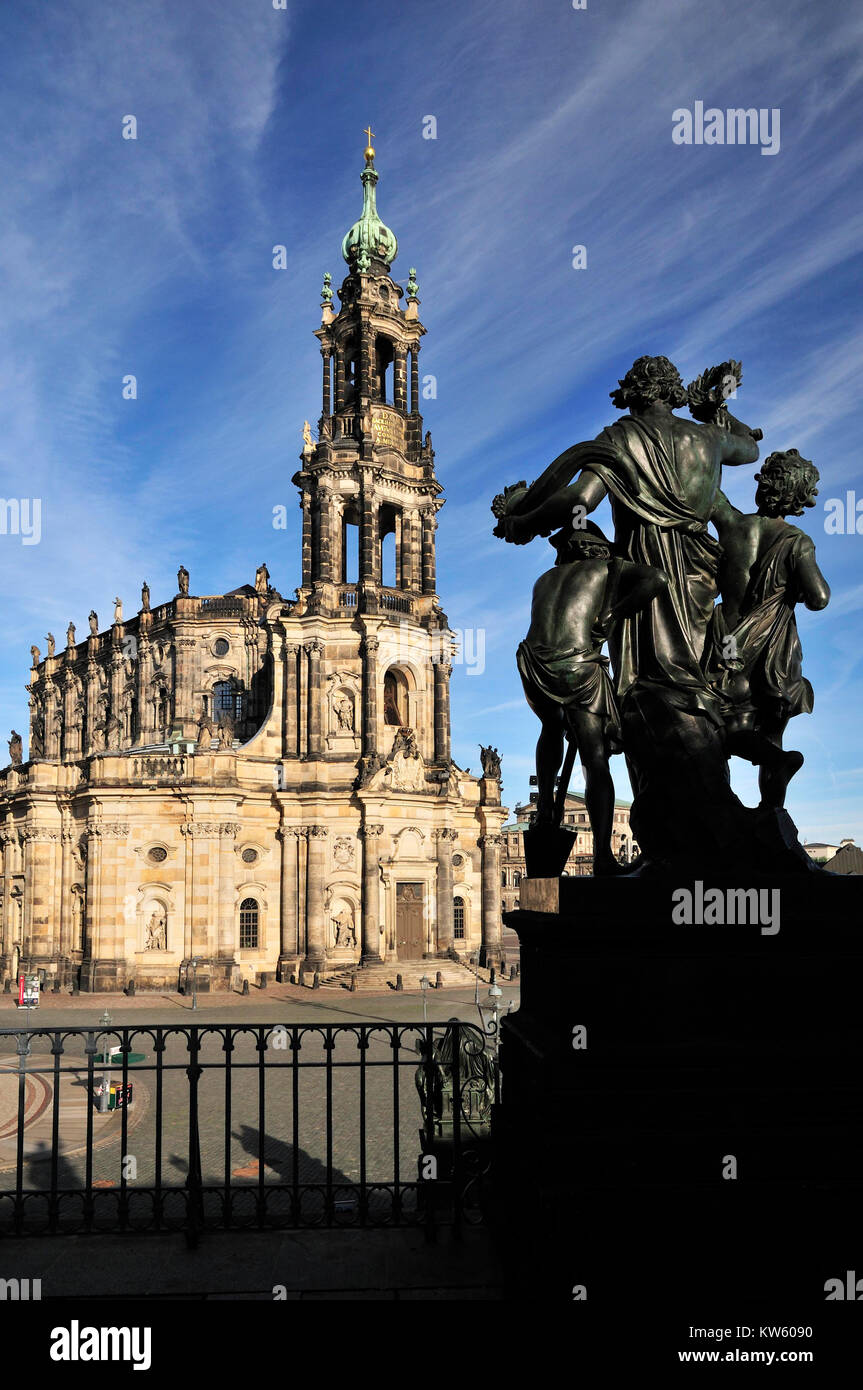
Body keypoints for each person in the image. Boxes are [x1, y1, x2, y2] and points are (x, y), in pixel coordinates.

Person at [517, 520, 667, 874]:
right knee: (594, 758)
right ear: (595, 549)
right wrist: (614, 613)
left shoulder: (544, 580)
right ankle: (602, 855)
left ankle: (545, 811)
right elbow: (657, 579)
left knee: (550, 729)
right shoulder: (606, 568)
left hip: (532, 665)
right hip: (577, 665)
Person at [705, 449, 830, 807]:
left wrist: (713, 432)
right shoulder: (796, 541)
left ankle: (732, 810)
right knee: (770, 737)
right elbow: (819, 597)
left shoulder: (732, 525)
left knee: (718, 732)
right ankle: (772, 809)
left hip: (726, 641)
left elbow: (711, 493)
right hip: (771, 653)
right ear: (799, 497)